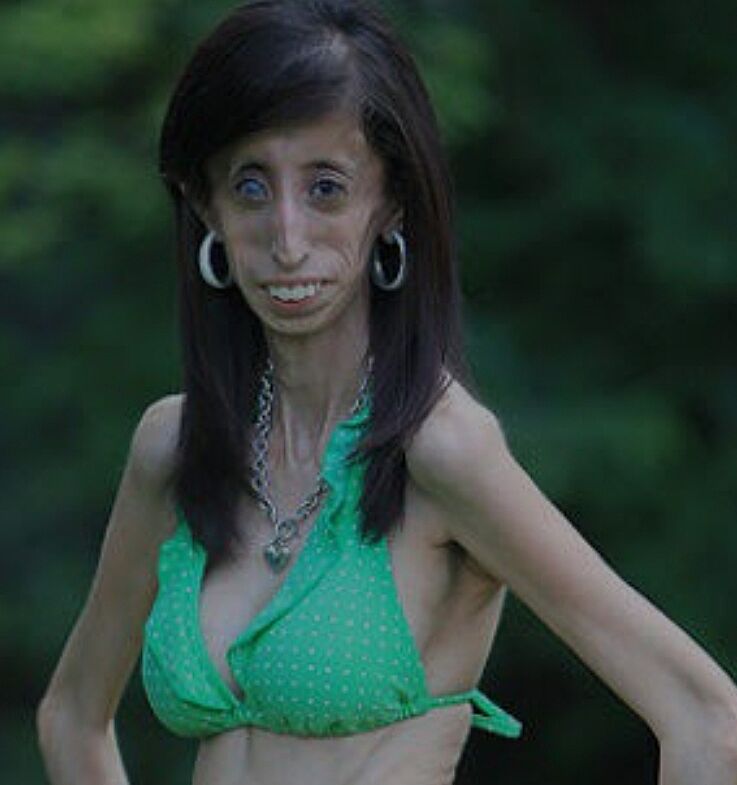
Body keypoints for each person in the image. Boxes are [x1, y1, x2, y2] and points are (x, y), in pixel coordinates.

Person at [36, 1, 737, 784]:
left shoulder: (438, 450)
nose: (287, 239)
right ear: (207, 206)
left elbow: (706, 718)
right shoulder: (175, 448)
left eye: (326, 187)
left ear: (391, 202)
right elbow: (71, 716)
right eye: (251, 186)